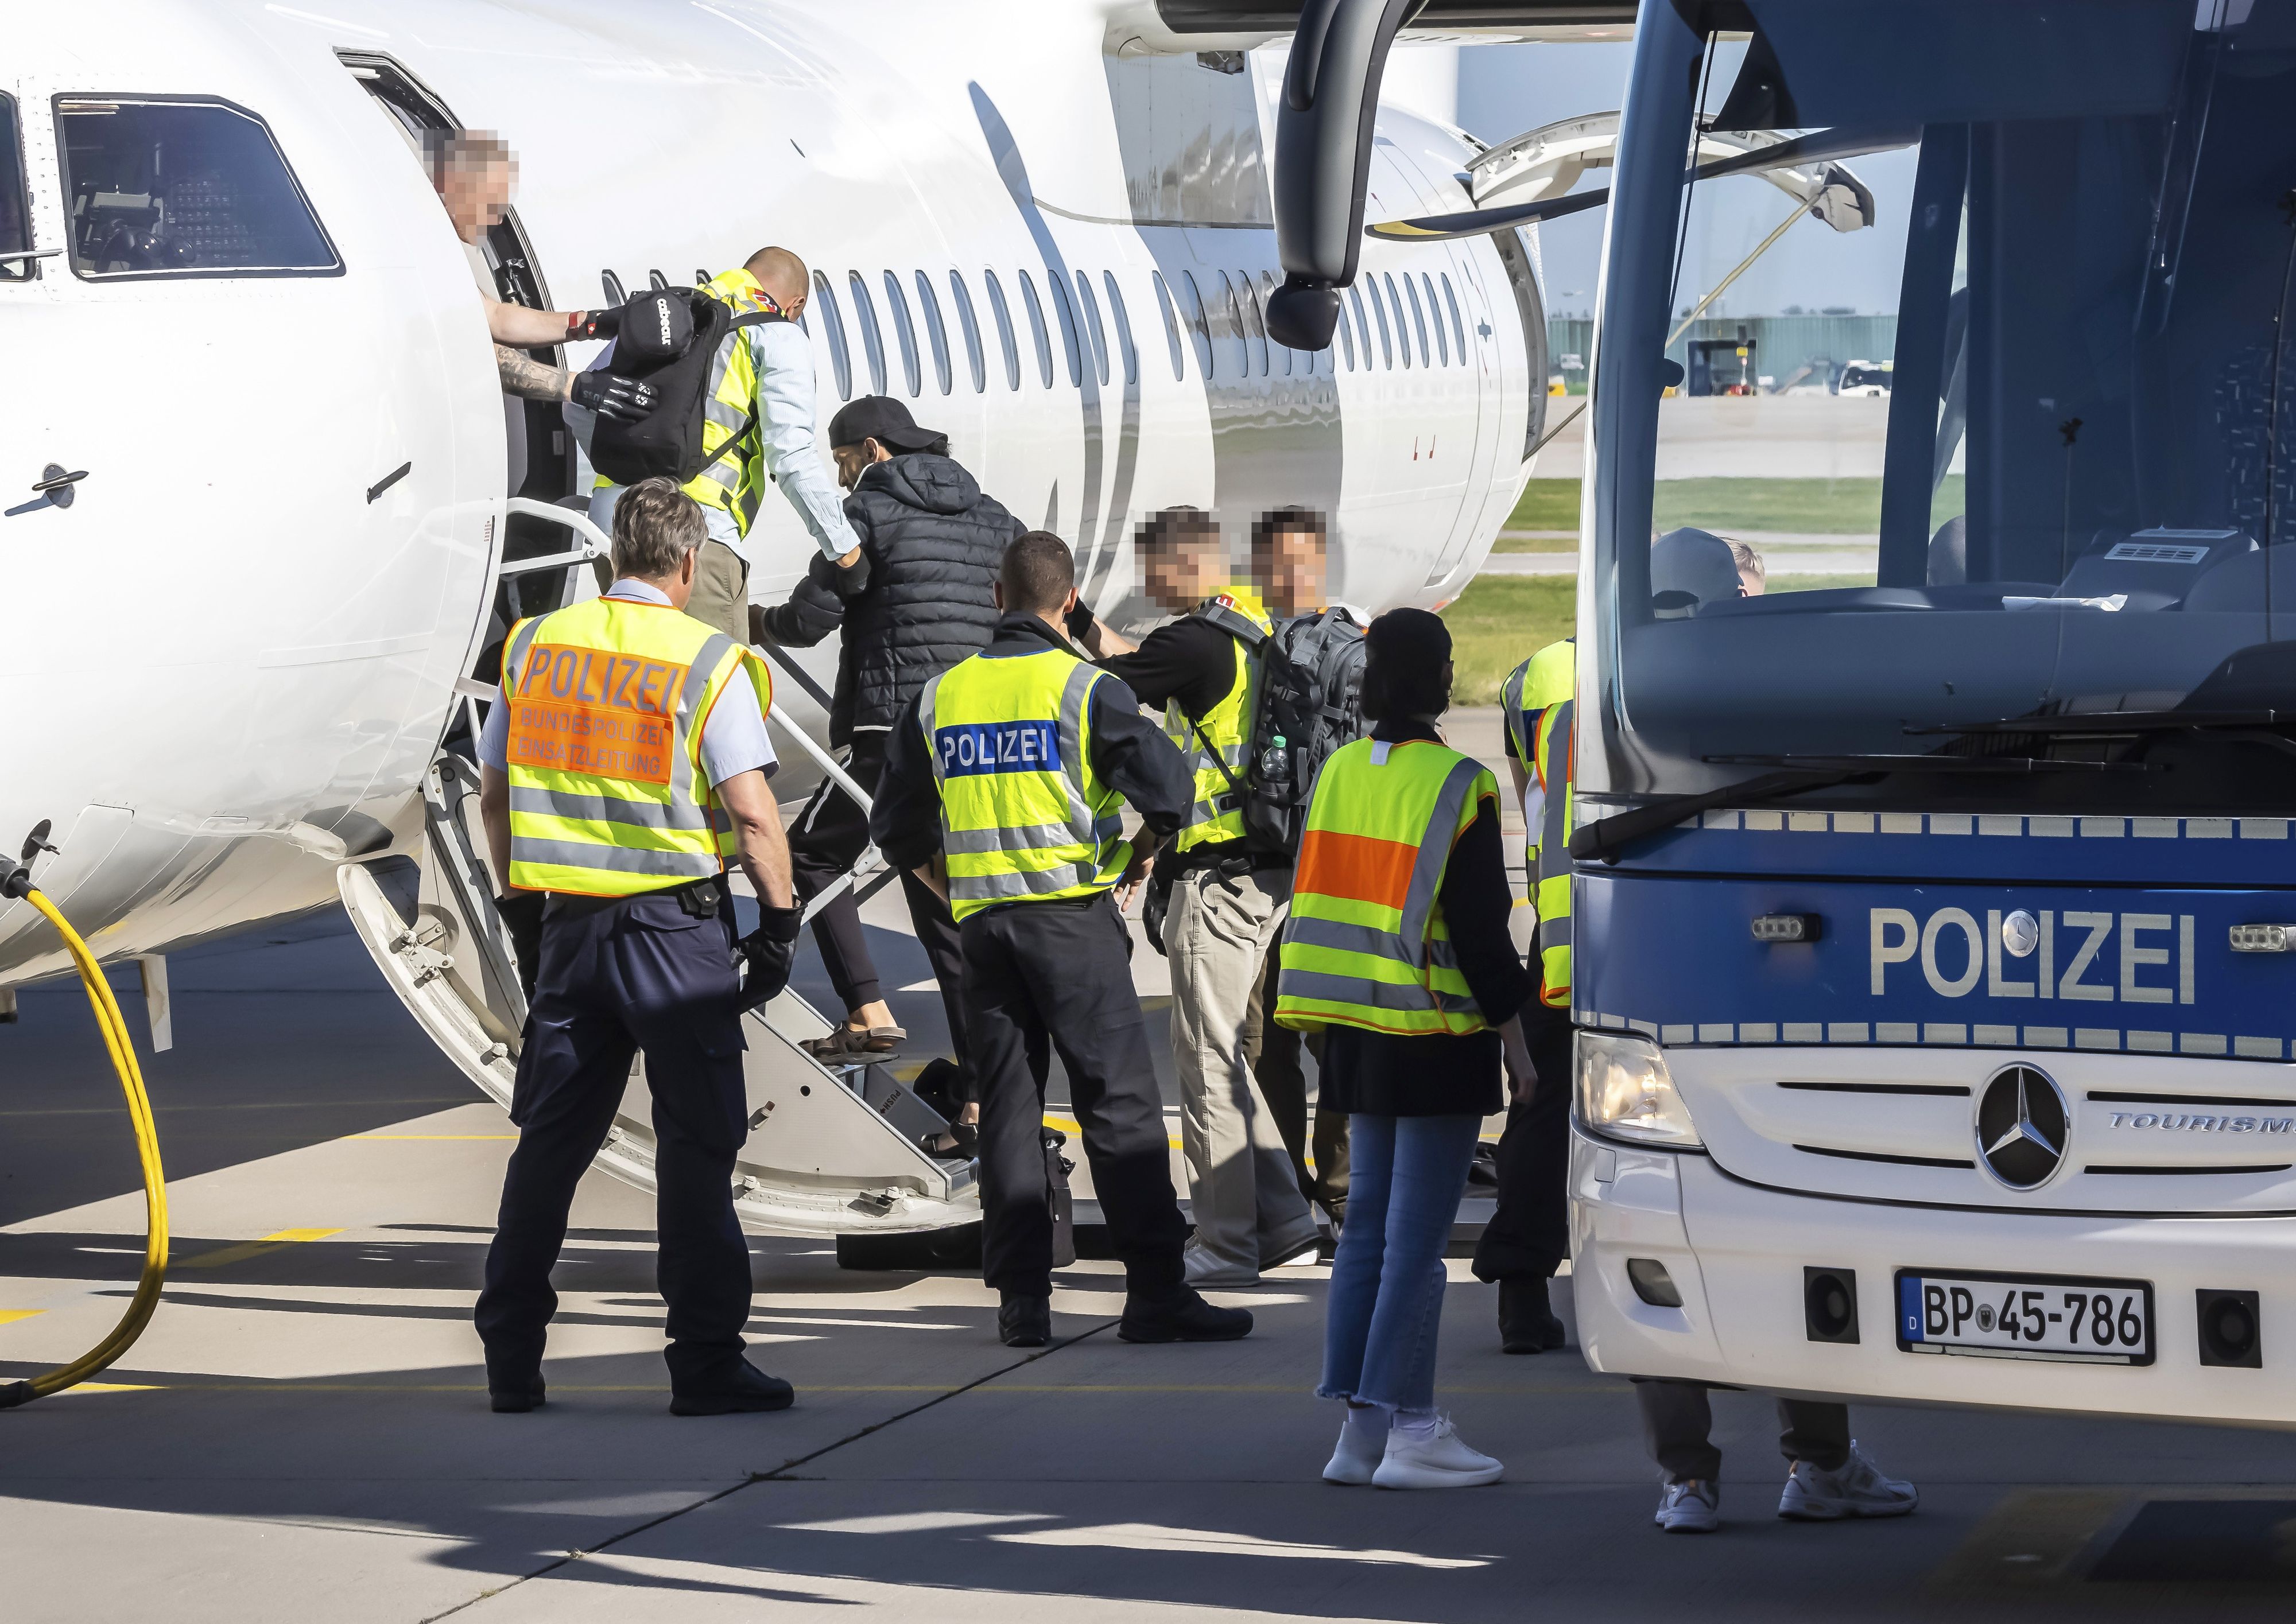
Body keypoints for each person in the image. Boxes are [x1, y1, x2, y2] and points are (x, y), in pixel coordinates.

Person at [472, 478, 804, 1417]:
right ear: (691, 563)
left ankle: (511, 1358)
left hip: (569, 926)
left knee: (550, 1144)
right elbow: (751, 814)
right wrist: (777, 925)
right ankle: (704, 1362)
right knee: (697, 1148)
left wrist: (520, 908)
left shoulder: (536, 647)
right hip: (671, 933)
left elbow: (494, 793)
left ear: (614, 556)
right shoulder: (706, 660)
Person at [871, 532, 1251, 1350]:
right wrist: (1142, 850)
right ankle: (1154, 1292)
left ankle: (1021, 1300)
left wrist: (954, 888)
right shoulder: (1085, 688)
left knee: (1008, 1109)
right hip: (1071, 921)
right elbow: (1174, 789)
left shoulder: (942, 697)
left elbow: (896, 827)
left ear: (997, 598)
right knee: (1117, 1106)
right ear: (1068, 602)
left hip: (986, 932)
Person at [1629, 529, 1917, 1533]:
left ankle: (1687, 1482)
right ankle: (1818, 1465)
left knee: (1666, 1236)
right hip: (1782, 996)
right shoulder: (1771, 691)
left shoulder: (1612, 690)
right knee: (1797, 1232)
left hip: (1643, 981)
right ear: (1734, 600)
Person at [1279, 609, 1537, 1490]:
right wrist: (1517, 1041)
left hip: (1352, 1030)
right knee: (1419, 1247)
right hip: (1433, 1034)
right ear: (1441, 679)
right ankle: (1415, 1427)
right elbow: (1479, 933)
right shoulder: (1460, 784)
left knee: (1368, 1235)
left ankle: (1360, 1434)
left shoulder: (1342, 770)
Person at [1069, 506, 1321, 1289]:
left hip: (1220, 880)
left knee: (1207, 1065)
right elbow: (1132, 656)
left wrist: (1048, 630)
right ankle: (1283, 1224)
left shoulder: (1192, 642)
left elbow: (1101, 686)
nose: (1147, 589)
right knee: (1228, 1061)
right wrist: (1078, 615)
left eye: (1151, 574)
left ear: (1179, 565)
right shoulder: (1242, 629)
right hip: (1267, 867)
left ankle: (1223, 1241)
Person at [759, 397, 1019, 1137]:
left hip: (894, 730)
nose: (841, 482)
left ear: (871, 450)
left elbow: (813, 618)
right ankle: (978, 1096)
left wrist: (752, 624)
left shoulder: (867, 515)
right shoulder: (996, 517)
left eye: (842, 463)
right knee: (947, 909)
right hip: (978, 733)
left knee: (809, 854)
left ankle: (868, 1007)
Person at [589, 246, 862, 646]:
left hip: (612, 533)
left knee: (633, 680)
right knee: (708, 692)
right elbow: (791, 458)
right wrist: (846, 552)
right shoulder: (775, 332)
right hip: (692, 539)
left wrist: (623, 469)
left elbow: (583, 405)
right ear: (796, 305)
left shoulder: (665, 315)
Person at [1235, 508, 1351, 1232]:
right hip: (1257, 871)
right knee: (1264, 1041)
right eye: (1275, 566)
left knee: (1329, 1037)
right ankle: (1287, 1187)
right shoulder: (1245, 647)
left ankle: (1336, 1185)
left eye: (1297, 565)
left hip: (1321, 876)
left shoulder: (1345, 655)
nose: (1286, 580)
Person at [1470, 635, 1576, 1354]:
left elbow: (1529, 794)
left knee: (1541, 1111)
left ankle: (1521, 1289)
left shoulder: (1533, 675)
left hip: (1562, 932)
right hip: (1665, 925)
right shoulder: (1697, 664)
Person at [425, 129, 651, 422]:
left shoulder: (436, 248)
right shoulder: (413, 255)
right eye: (491, 203)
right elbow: (468, 346)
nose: (497, 218)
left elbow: (494, 318)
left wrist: (590, 322)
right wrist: (579, 386)